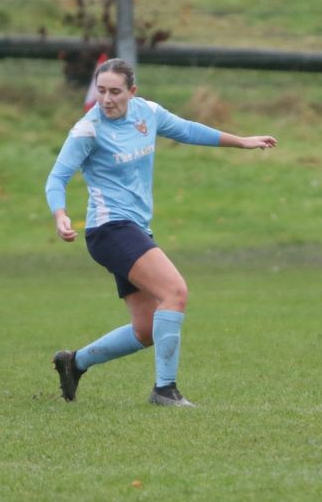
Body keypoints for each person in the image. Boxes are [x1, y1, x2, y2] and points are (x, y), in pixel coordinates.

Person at [45, 58, 277, 407]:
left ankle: (74, 362)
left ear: (132, 92)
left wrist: (241, 141)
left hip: (134, 228)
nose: (106, 99)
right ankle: (164, 391)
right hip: (109, 229)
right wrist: (60, 214)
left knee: (146, 329)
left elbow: (187, 129)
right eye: (101, 91)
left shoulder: (146, 113)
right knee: (175, 291)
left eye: (115, 92)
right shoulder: (87, 129)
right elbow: (57, 177)